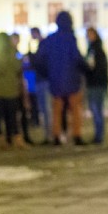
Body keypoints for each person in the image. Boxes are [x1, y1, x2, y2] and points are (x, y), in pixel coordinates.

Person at [34, 11, 87, 146]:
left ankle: (56, 135)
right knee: (75, 109)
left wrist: (47, 72)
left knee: (56, 110)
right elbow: (76, 57)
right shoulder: (70, 38)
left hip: (55, 80)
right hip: (72, 80)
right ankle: (76, 135)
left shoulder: (50, 39)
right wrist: (86, 68)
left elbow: (39, 59)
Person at [0, 32, 26, 149]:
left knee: (0, 117)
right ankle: (14, 139)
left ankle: (3, 139)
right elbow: (18, 67)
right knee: (12, 116)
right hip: (11, 90)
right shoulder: (12, 53)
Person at [84, 26, 108, 144]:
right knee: (96, 110)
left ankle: (99, 135)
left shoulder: (95, 50)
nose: (89, 37)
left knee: (97, 110)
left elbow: (94, 67)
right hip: (95, 83)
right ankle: (98, 134)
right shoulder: (93, 49)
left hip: (96, 84)